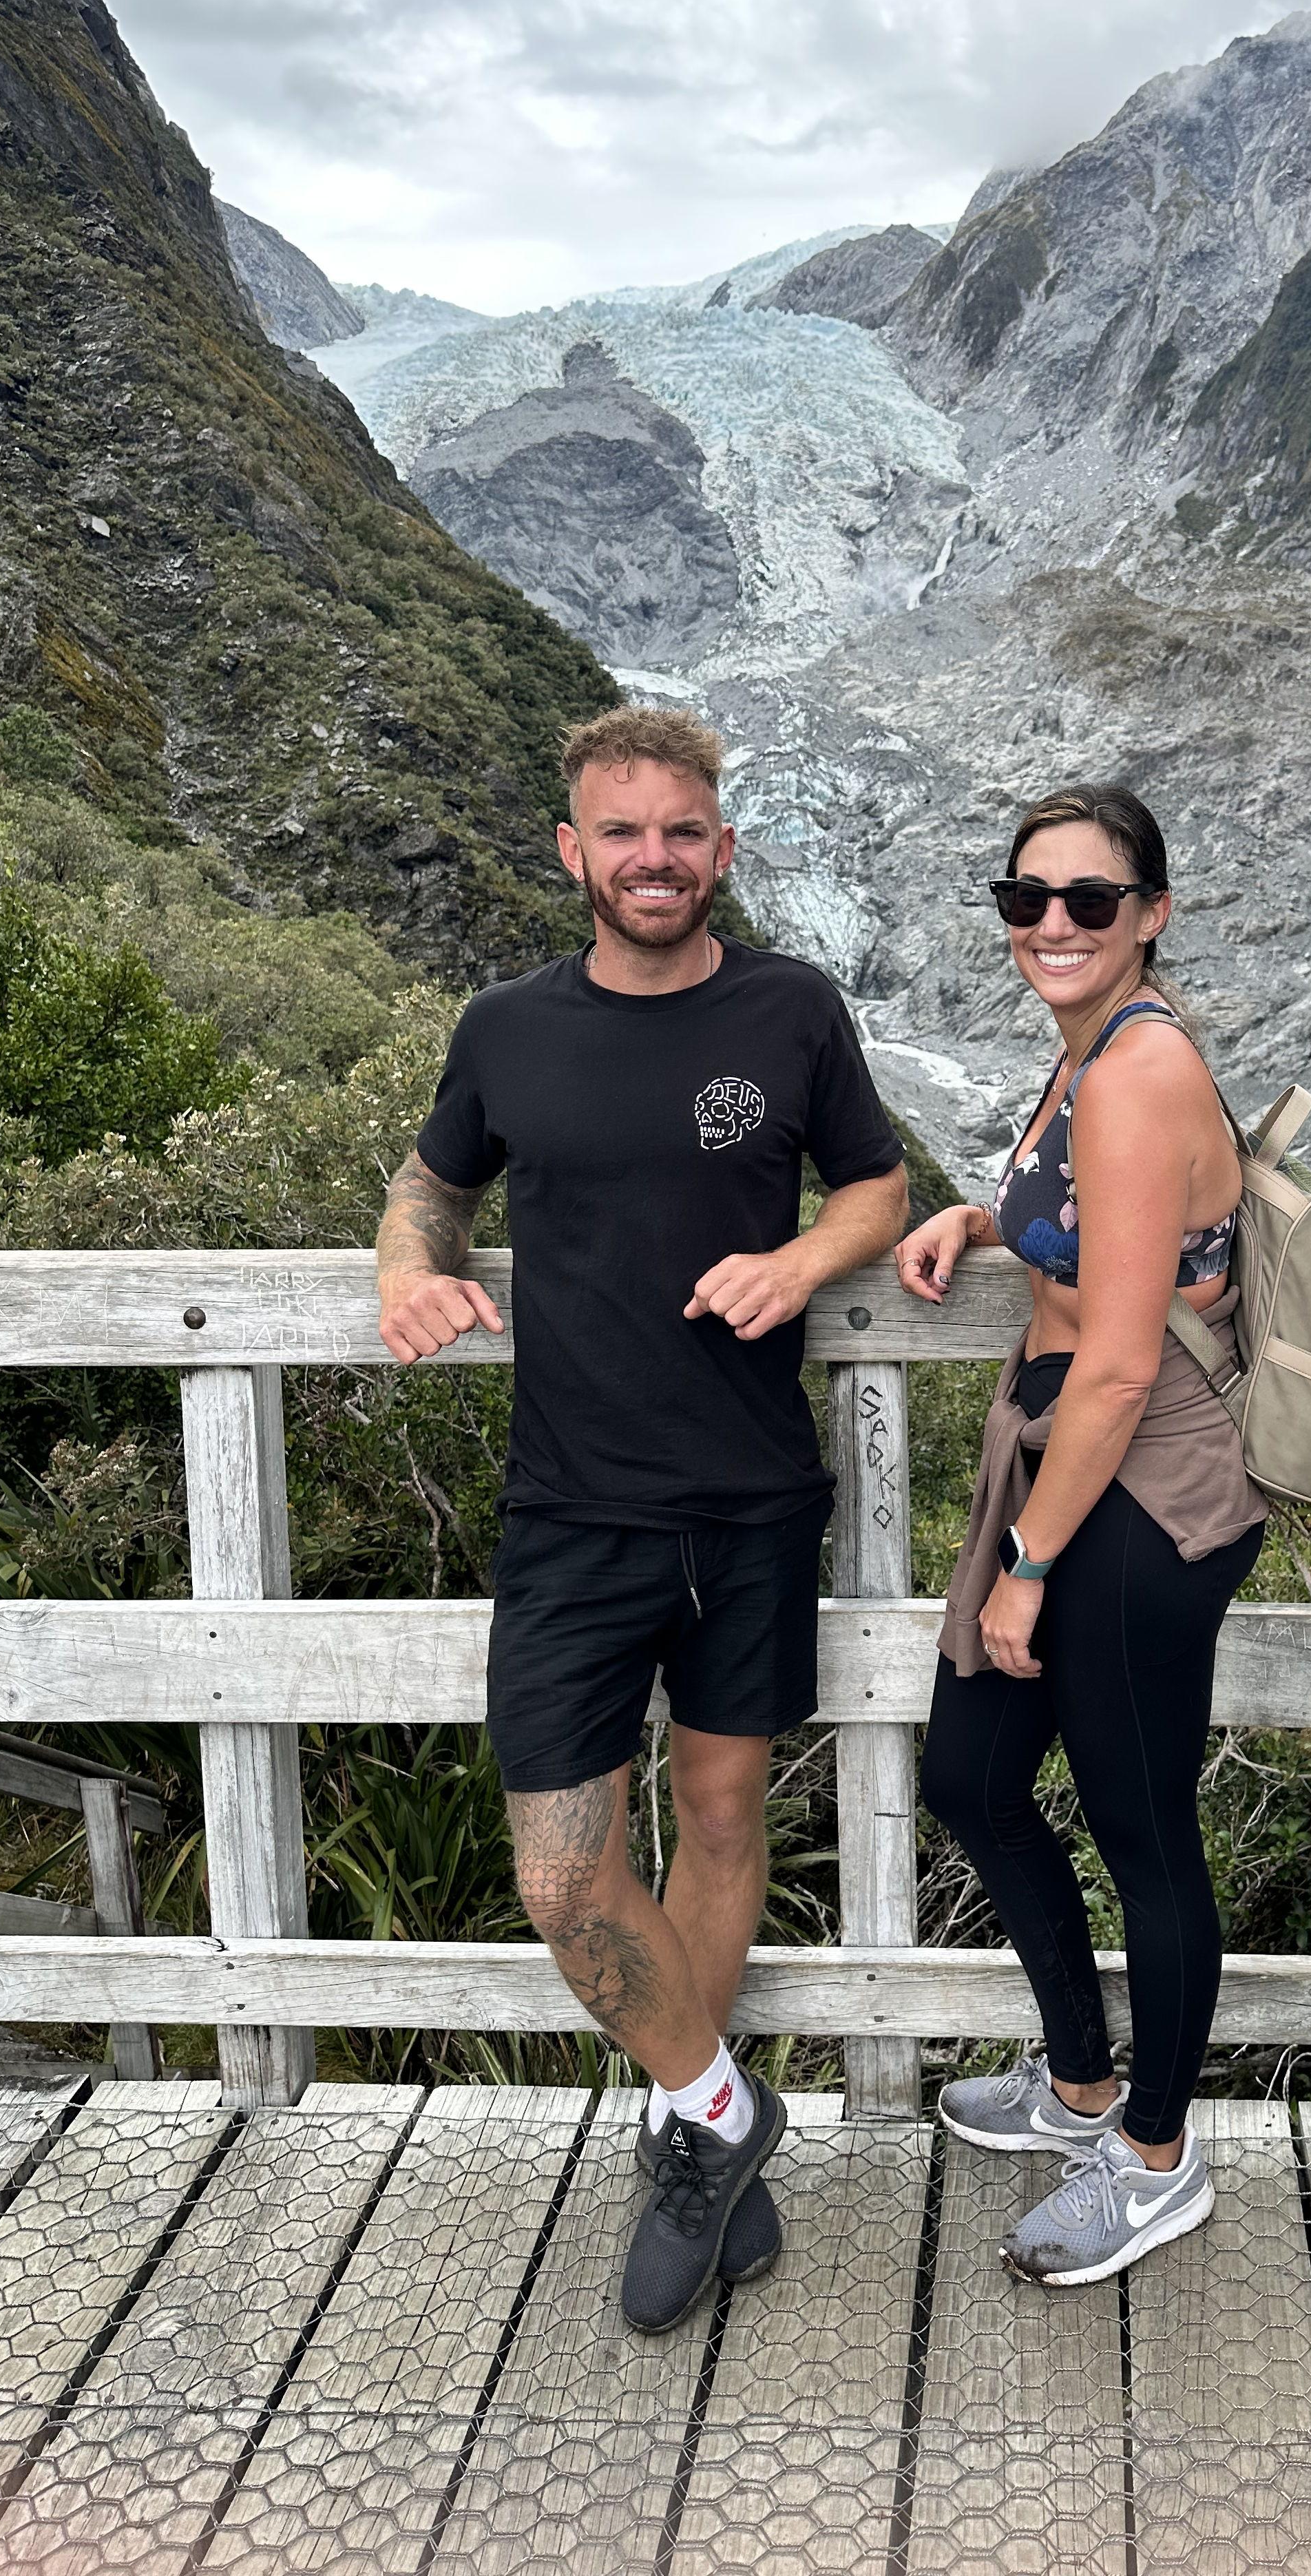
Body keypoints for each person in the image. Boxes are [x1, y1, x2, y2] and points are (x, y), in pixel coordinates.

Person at [376, 705, 908, 2332]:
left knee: (726, 1818)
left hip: (751, 1499)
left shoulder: (791, 1009)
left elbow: (879, 1187)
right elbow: (431, 1178)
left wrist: (806, 1260)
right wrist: (409, 1266)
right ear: (574, 852)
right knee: (561, 1874)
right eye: (624, 833)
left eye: (682, 832)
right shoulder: (506, 1029)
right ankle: (728, 2109)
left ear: (722, 849)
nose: (655, 859)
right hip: (573, 1510)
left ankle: (687, 2142)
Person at [893, 782, 1268, 2285]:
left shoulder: (1135, 1072)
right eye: (1026, 897)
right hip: (1063, 1455)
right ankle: (1081, 2082)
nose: (1052, 923)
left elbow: (1120, 1363)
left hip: (1141, 1486)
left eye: (1089, 901)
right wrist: (978, 1223)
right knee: (969, 1775)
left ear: (1151, 916)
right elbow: (1105, 1229)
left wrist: (1029, 1574)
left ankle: (1157, 2154)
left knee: (1143, 1831)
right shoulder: (1088, 1056)